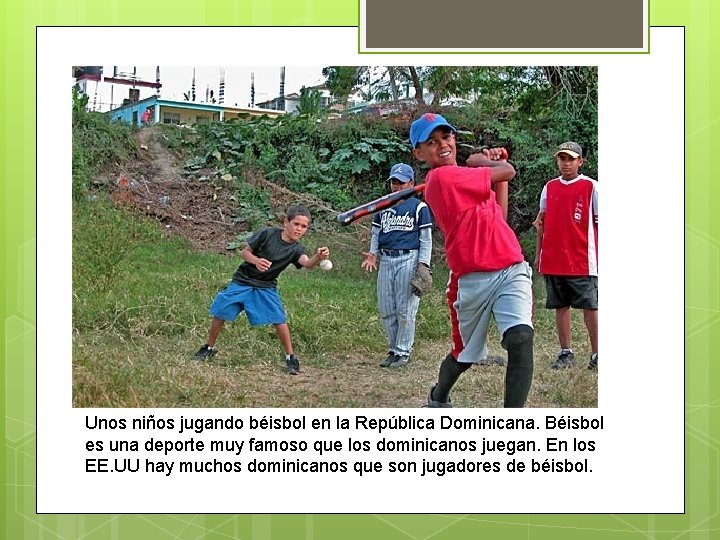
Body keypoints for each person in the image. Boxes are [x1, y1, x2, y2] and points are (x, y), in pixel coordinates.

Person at [410, 112, 534, 408]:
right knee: (463, 356)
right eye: (431, 142)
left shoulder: (468, 179)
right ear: (419, 153)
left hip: (510, 268)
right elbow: (509, 171)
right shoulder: (440, 178)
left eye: (447, 136)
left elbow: (499, 217)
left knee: (520, 339)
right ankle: (438, 395)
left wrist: (489, 166)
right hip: (472, 279)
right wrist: (483, 162)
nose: (442, 145)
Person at [193, 205, 330, 375]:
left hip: (266, 286)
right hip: (243, 281)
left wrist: (318, 257)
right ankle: (208, 347)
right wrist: (256, 261)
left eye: (304, 226)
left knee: (279, 319)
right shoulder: (267, 233)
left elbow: (307, 264)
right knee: (221, 312)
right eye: (296, 224)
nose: (299, 229)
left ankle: (290, 357)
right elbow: (245, 253)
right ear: (286, 222)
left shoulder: (296, 249)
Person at [361, 163, 433, 368]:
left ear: (411, 183)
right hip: (387, 259)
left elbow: (426, 239)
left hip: (408, 258)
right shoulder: (383, 205)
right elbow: (376, 233)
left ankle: (403, 351)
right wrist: (372, 255)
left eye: (401, 182)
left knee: (405, 308)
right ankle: (393, 349)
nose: (397, 186)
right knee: (386, 308)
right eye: (394, 182)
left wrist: (423, 265)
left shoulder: (419, 207)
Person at [534, 141, 598, 370]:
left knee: (590, 306)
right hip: (554, 258)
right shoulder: (549, 187)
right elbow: (541, 222)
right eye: (562, 158)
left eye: (571, 159)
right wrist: (538, 254)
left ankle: (597, 354)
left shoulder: (592, 187)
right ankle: (565, 352)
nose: (566, 163)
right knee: (560, 306)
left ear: (580, 161)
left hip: (581, 259)